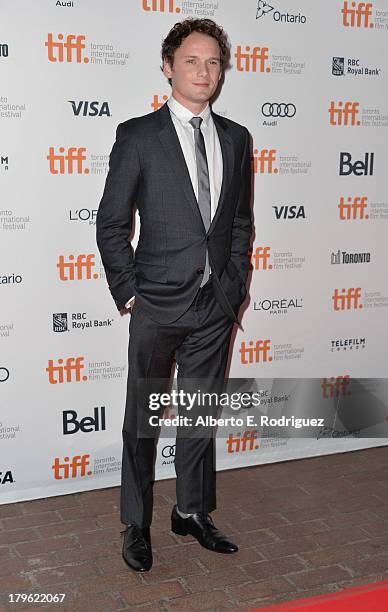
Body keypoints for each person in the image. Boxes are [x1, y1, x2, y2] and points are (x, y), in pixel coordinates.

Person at [96, 17, 253, 572]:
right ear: (168, 67)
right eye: (191, 60)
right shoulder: (139, 136)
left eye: (213, 62)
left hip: (215, 305)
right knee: (143, 418)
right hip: (156, 303)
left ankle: (191, 512)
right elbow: (111, 223)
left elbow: (239, 223)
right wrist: (130, 294)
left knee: (199, 414)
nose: (203, 71)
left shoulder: (236, 138)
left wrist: (233, 285)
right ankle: (136, 524)